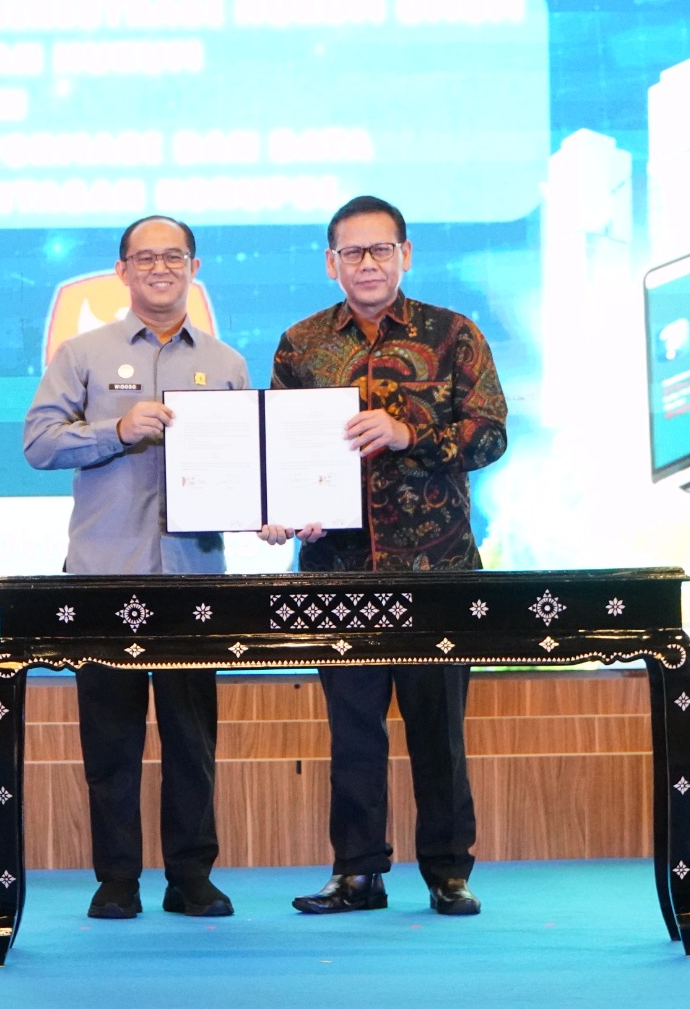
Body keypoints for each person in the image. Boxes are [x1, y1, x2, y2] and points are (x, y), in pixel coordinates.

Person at [259, 195, 508, 916]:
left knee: (439, 731)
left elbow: (491, 434)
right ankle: (357, 872)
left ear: (406, 254)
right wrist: (284, 511)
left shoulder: (453, 334)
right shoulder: (302, 344)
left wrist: (409, 435)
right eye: (352, 252)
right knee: (352, 734)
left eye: (380, 249)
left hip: (438, 571)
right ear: (330, 262)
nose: (366, 263)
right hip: (338, 572)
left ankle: (449, 873)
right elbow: (284, 448)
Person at [23, 215, 249, 921]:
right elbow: (38, 443)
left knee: (192, 738)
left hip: (193, 578)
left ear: (194, 267)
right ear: (122, 271)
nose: (160, 268)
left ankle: (191, 877)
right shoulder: (82, 354)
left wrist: (271, 508)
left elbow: (248, 467)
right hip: (104, 573)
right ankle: (117, 878)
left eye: (173, 257)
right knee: (111, 739)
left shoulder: (227, 364)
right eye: (144, 258)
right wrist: (116, 431)